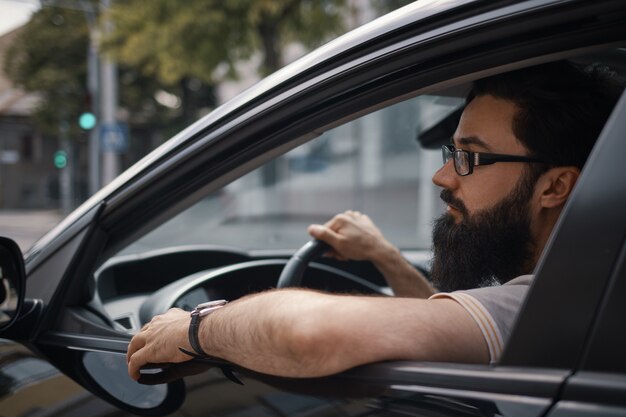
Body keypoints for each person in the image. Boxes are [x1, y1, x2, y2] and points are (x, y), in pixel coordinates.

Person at [127, 61, 621, 381]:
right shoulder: (575, 294)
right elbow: (445, 325)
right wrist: (384, 257)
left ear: (555, 187)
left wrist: (194, 329)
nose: (442, 175)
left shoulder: (553, 300)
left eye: (471, 157)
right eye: (452, 151)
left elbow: (309, 335)